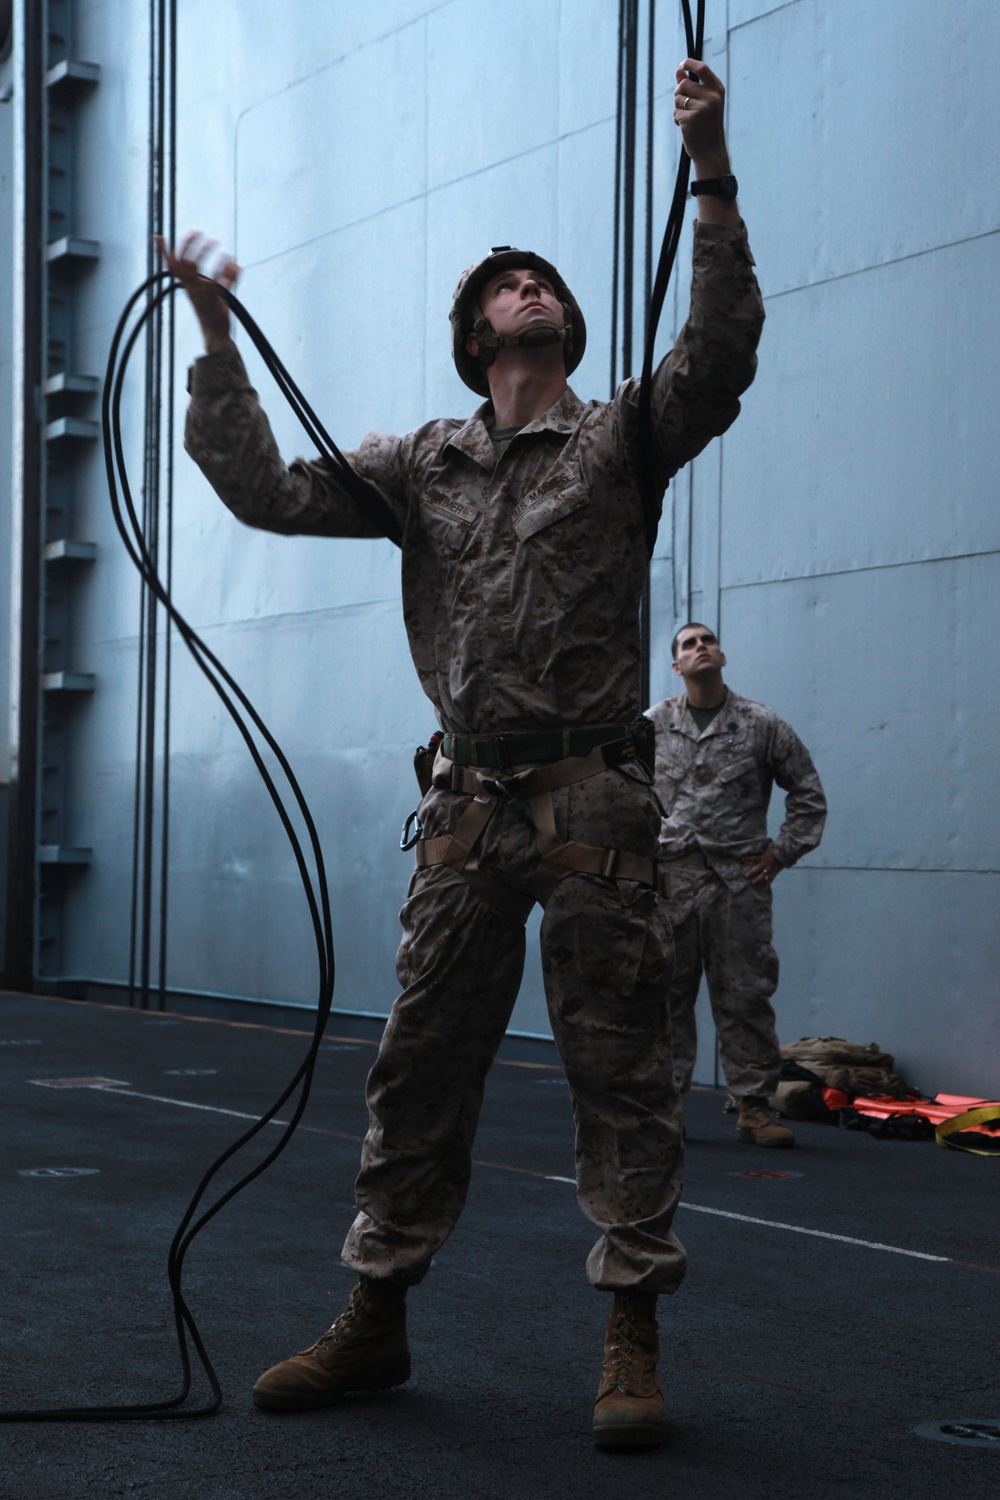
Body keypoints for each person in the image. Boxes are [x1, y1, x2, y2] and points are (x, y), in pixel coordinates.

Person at [161, 59, 764, 1450]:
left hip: (602, 796)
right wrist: (214, 338)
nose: (529, 287)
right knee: (421, 1063)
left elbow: (721, 350)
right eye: (506, 284)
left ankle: (631, 1334)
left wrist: (713, 162)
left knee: (623, 1067)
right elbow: (262, 488)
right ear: (474, 333)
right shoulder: (421, 466)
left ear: (563, 322)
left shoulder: (621, 438)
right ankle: (375, 1316)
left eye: (543, 280)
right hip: (471, 805)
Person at [646, 623, 827, 1148]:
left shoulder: (760, 724)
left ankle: (753, 1107)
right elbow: (621, 793)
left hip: (737, 882)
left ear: (721, 655)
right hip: (669, 880)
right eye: (687, 644)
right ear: (677, 667)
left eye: (706, 640)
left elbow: (808, 793)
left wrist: (781, 852)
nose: (699, 646)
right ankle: (665, 1109)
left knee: (745, 996)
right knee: (665, 1000)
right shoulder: (653, 725)